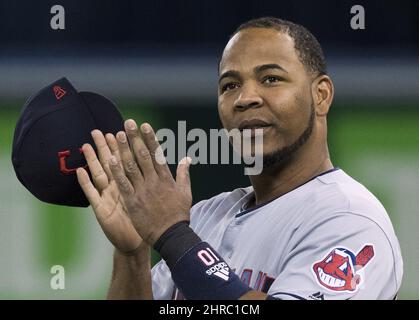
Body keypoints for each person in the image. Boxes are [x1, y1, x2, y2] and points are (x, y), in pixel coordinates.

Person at [76, 17, 403, 300]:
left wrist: (172, 234)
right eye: (230, 85)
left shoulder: (347, 219)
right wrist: (132, 254)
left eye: (271, 79)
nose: (245, 98)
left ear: (321, 95)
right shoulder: (205, 218)